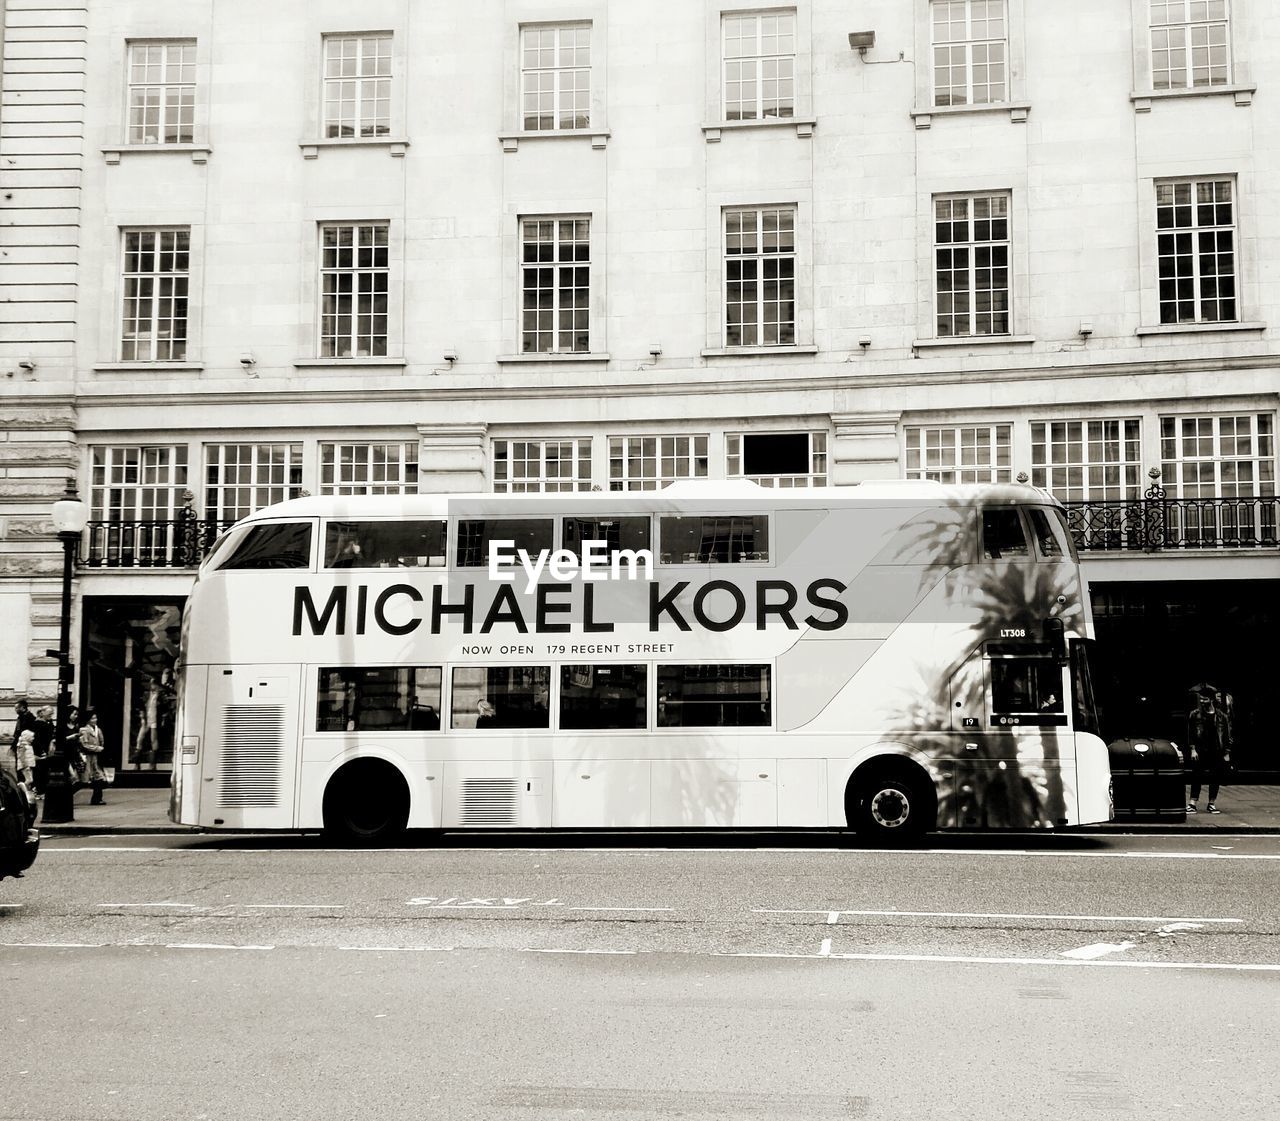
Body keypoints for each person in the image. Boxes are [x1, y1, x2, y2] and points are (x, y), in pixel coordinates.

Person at [1186, 688, 1230, 814]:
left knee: (1214, 777)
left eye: (1204, 699)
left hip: (1216, 749)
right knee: (1196, 775)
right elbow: (1191, 733)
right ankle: (1192, 803)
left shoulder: (1222, 716)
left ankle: (1211, 803)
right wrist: (1193, 749)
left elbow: (1226, 735)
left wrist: (1227, 753)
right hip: (1200, 749)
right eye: (1200, 698)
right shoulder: (1195, 714)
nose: (1201, 701)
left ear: (1211, 700)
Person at [79, 709, 108, 805]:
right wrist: (97, 748)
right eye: (92, 718)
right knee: (83, 780)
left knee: (98, 777)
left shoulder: (98, 730)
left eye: (95, 718)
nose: (95, 720)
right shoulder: (84, 730)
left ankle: (97, 798)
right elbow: (84, 744)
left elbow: (102, 741)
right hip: (87, 756)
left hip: (96, 757)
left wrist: (101, 748)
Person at [30, 706, 54, 796]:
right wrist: (41, 750)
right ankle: (39, 790)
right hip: (41, 750)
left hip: (47, 749)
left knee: (44, 770)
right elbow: (37, 739)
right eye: (49, 714)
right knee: (40, 770)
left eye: (51, 714)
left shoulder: (48, 723)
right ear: (42, 713)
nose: (51, 716)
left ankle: (42, 789)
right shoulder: (37, 724)